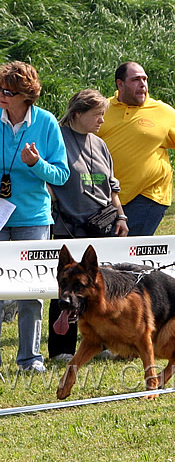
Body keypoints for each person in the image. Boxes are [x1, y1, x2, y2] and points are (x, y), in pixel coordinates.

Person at [48, 89, 129, 362]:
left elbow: (111, 186)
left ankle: (101, 342)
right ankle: (61, 348)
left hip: (102, 227)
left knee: (98, 290)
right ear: (78, 113)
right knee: (67, 289)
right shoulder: (57, 137)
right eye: (97, 115)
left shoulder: (99, 143)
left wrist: (121, 217)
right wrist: (60, 208)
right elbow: (48, 177)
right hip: (69, 228)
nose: (102, 121)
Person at [0, 61, 70, 372]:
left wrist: (36, 164)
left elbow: (62, 174)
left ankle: (29, 359)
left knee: (31, 293)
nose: (2, 96)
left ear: (26, 96)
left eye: (8, 91)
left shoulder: (46, 123)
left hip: (33, 218)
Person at [97, 62, 175, 236]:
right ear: (120, 84)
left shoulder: (163, 112)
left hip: (149, 194)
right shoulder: (102, 108)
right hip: (108, 194)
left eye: (144, 79)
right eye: (135, 80)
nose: (142, 84)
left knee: (126, 246)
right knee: (108, 248)